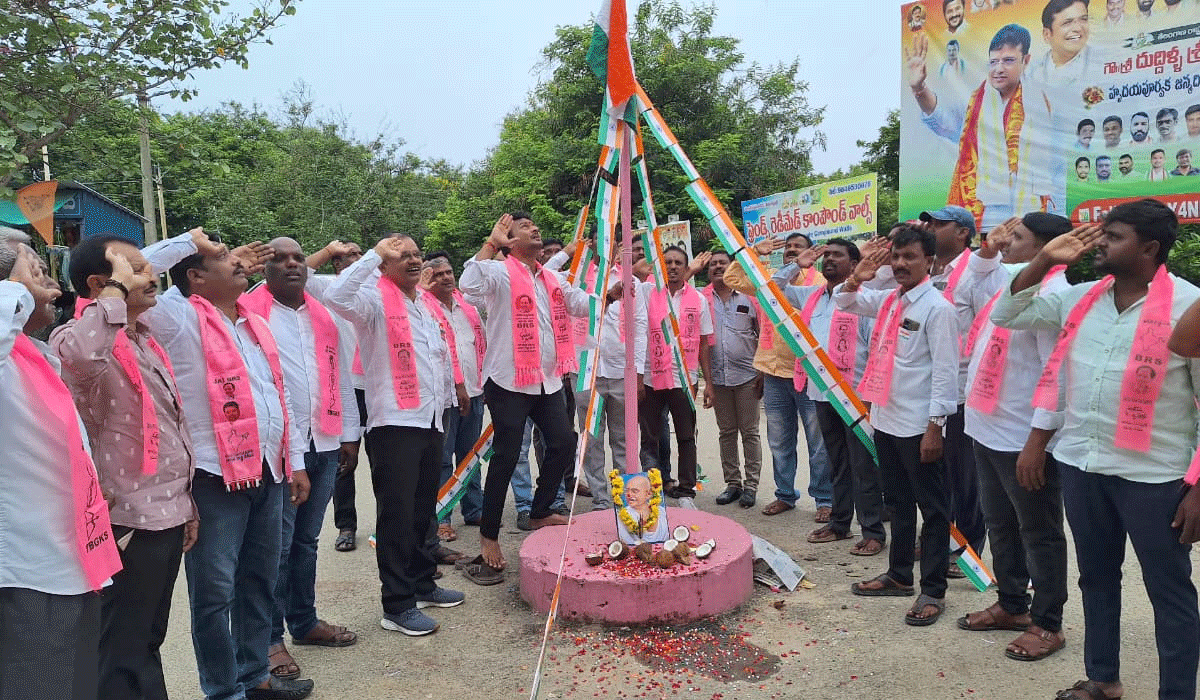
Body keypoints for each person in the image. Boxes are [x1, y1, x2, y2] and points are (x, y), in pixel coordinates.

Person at [994, 198, 1200, 700]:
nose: (1100, 243)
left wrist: (1197, 487)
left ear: (1150, 248)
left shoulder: (1188, 307)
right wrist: (1044, 260)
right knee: (1096, 579)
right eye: (1102, 234)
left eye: (1115, 236)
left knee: (1169, 593)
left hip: (1157, 477)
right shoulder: (1079, 297)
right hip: (1084, 464)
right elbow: (1007, 311)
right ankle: (1103, 680)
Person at [141, 228, 313, 700]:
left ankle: (255, 674)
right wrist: (185, 239)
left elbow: (279, 397)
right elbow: (131, 269)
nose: (239, 259)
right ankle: (223, 689)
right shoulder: (176, 318)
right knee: (215, 592)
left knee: (260, 579)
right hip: (216, 477)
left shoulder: (252, 323)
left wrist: (294, 460)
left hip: (268, 470)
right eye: (221, 256)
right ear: (195, 277)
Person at [51, 235, 198, 700]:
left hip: (165, 512)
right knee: (120, 647)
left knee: (147, 638)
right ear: (102, 283)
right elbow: (79, 359)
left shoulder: (143, 338)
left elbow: (172, 429)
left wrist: (186, 504)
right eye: (135, 268)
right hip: (126, 520)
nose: (151, 274)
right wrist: (113, 293)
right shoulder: (75, 340)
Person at [0, 234, 123, 700]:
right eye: (40, 273)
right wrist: (14, 283)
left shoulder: (30, 353)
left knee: (75, 684)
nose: (52, 287)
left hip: (71, 554)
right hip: (30, 569)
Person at [324, 233, 465, 635]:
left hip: (430, 420)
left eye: (417, 254)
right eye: (402, 256)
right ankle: (397, 605)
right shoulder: (372, 300)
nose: (414, 260)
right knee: (397, 518)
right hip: (394, 425)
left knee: (423, 512)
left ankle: (422, 585)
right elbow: (336, 296)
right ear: (383, 266)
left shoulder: (423, 304)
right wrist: (373, 255)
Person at [241, 238, 361, 679]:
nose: (292, 264)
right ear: (263, 269)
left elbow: (338, 370)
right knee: (276, 547)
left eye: (297, 257)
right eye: (280, 259)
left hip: (325, 440)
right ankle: (270, 638)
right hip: (278, 449)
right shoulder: (250, 312)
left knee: (306, 542)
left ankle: (304, 622)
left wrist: (349, 432)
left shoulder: (322, 313)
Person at [955, 213, 1072, 663]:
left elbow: (1055, 375)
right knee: (1000, 524)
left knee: (1039, 532)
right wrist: (989, 250)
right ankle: (1012, 605)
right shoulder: (1012, 284)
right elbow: (972, 282)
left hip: (1022, 439)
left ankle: (1047, 623)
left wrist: (1037, 443)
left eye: (1018, 238)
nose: (1006, 242)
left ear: (1047, 248)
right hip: (987, 429)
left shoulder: (1055, 296)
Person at [458, 213, 592, 578]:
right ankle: (488, 535)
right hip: (507, 381)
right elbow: (467, 285)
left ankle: (538, 511)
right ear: (511, 240)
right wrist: (491, 243)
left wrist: (614, 293)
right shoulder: (500, 273)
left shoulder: (550, 277)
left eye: (536, 225)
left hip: (546, 380)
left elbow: (581, 304)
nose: (535, 229)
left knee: (564, 442)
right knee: (505, 455)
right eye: (526, 227)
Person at [841, 225, 959, 628]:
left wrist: (935, 427)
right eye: (896, 256)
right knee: (899, 503)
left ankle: (933, 589)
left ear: (930, 261)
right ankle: (898, 576)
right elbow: (846, 301)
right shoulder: (892, 301)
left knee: (934, 508)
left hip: (918, 426)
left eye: (910, 257)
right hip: (886, 420)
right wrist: (858, 276)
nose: (900, 264)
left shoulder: (937, 308)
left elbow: (945, 374)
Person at [770, 238, 885, 556]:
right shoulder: (811, 296)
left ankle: (873, 530)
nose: (829, 260)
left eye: (838, 255)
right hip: (820, 394)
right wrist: (797, 264)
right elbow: (772, 289)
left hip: (857, 397)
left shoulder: (866, 301)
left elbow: (875, 352)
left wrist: (872, 398)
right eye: (826, 255)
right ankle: (839, 523)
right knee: (837, 463)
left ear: (855, 263)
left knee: (864, 467)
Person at [920, 205, 1008, 572]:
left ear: (963, 233)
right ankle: (939, 542)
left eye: (940, 224)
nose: (930, 227)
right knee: (936, 475)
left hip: (961, 391)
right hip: (928, 388)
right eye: (930, 222)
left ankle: (968, 551)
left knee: (965, 478)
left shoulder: (977, 274)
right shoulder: (927, 272)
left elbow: (990, 330)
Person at [724, 235, 834, 521]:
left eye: (799, 247)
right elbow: (732, 277)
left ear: (812, 253)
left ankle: (824, 499)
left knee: (817, 442)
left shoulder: (819, 283)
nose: (792, 251)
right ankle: (785, 494)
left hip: (810, 376)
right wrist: (751, 253)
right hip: (773, 374)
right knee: (779, 440)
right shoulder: (770, 279)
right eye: (788, 248)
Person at [907, 24, 1054, 230]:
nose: (999, 68)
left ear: (1026, 61)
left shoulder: (1038, 103)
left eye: (1008, 60)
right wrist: (919, 88)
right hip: (981, 215)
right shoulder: (978, 102)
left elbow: (1053, 168)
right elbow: (945, 125)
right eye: (994, 61)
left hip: (1028, 219)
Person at [547, 239, 647, 512]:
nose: (607, 249)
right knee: (590, 438)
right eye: (600, 243)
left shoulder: (630, 281)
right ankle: (601, 499)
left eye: (612, 243)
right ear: (591, 246)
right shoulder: (573, 278)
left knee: (623, 438)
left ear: (617, 247)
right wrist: (567, 253)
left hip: (619, 370)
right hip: (585, 371)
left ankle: (625, 497)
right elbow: (545, 273)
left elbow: (640, 327)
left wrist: (637, 373)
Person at [638, 245, 714, 505]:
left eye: (678, 263)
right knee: (650, 435)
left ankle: (686, 488)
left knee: (685, 435)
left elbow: (704, 343)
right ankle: (651, 486)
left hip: (686, 377)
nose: (672, 266)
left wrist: (708, 384)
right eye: (667, 262)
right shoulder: (649, 294)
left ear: (686, 267)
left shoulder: (699, 299)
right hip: (651, 377)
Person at [304, 240, 364, 553]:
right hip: (342, 384)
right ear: (337, 266)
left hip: (376, 388)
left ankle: (391, 525)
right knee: (344, 461)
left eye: (360, 253)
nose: (358, 258)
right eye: (349, 256)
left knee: (387, 461)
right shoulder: (326, 288)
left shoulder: (377, 288)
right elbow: (302, 271)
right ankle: (346, 525)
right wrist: (327, 250)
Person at [421, 257, 487, 535]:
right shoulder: (424, 309)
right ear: (427, 279)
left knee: (470, 455)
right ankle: (443, 518)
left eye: (449, 272)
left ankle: (474, 510)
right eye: (438, 275)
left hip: (475, 390)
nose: (446, 278)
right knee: (443, 459)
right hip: (445, 398)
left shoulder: (466, 307)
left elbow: (481, 345)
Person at [702, 250, 762, 509]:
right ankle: (733, 484)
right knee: (726, 432)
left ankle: (751, 486)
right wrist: (708, 384)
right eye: (713, 264)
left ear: (732, 267)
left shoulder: (750, 297)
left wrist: (762, 373)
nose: (717, 267)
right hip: (718, 378)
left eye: (722, 263)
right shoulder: (702, 299)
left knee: (750, 433)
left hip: (748, 376)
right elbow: (702, 344)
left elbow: (763, 335)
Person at [1031, 0, 1095, 87]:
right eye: (1067, 22)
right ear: (1047, 34)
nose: (1078, 28)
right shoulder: (1032, 72)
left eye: (1083, 19)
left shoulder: (1100, 65)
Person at [616, 474, 669, 544]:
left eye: (634, 491)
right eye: (627, 491)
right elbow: (627, 541)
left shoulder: (661, 511)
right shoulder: (623, 515)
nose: (629, 495)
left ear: (648, 494)